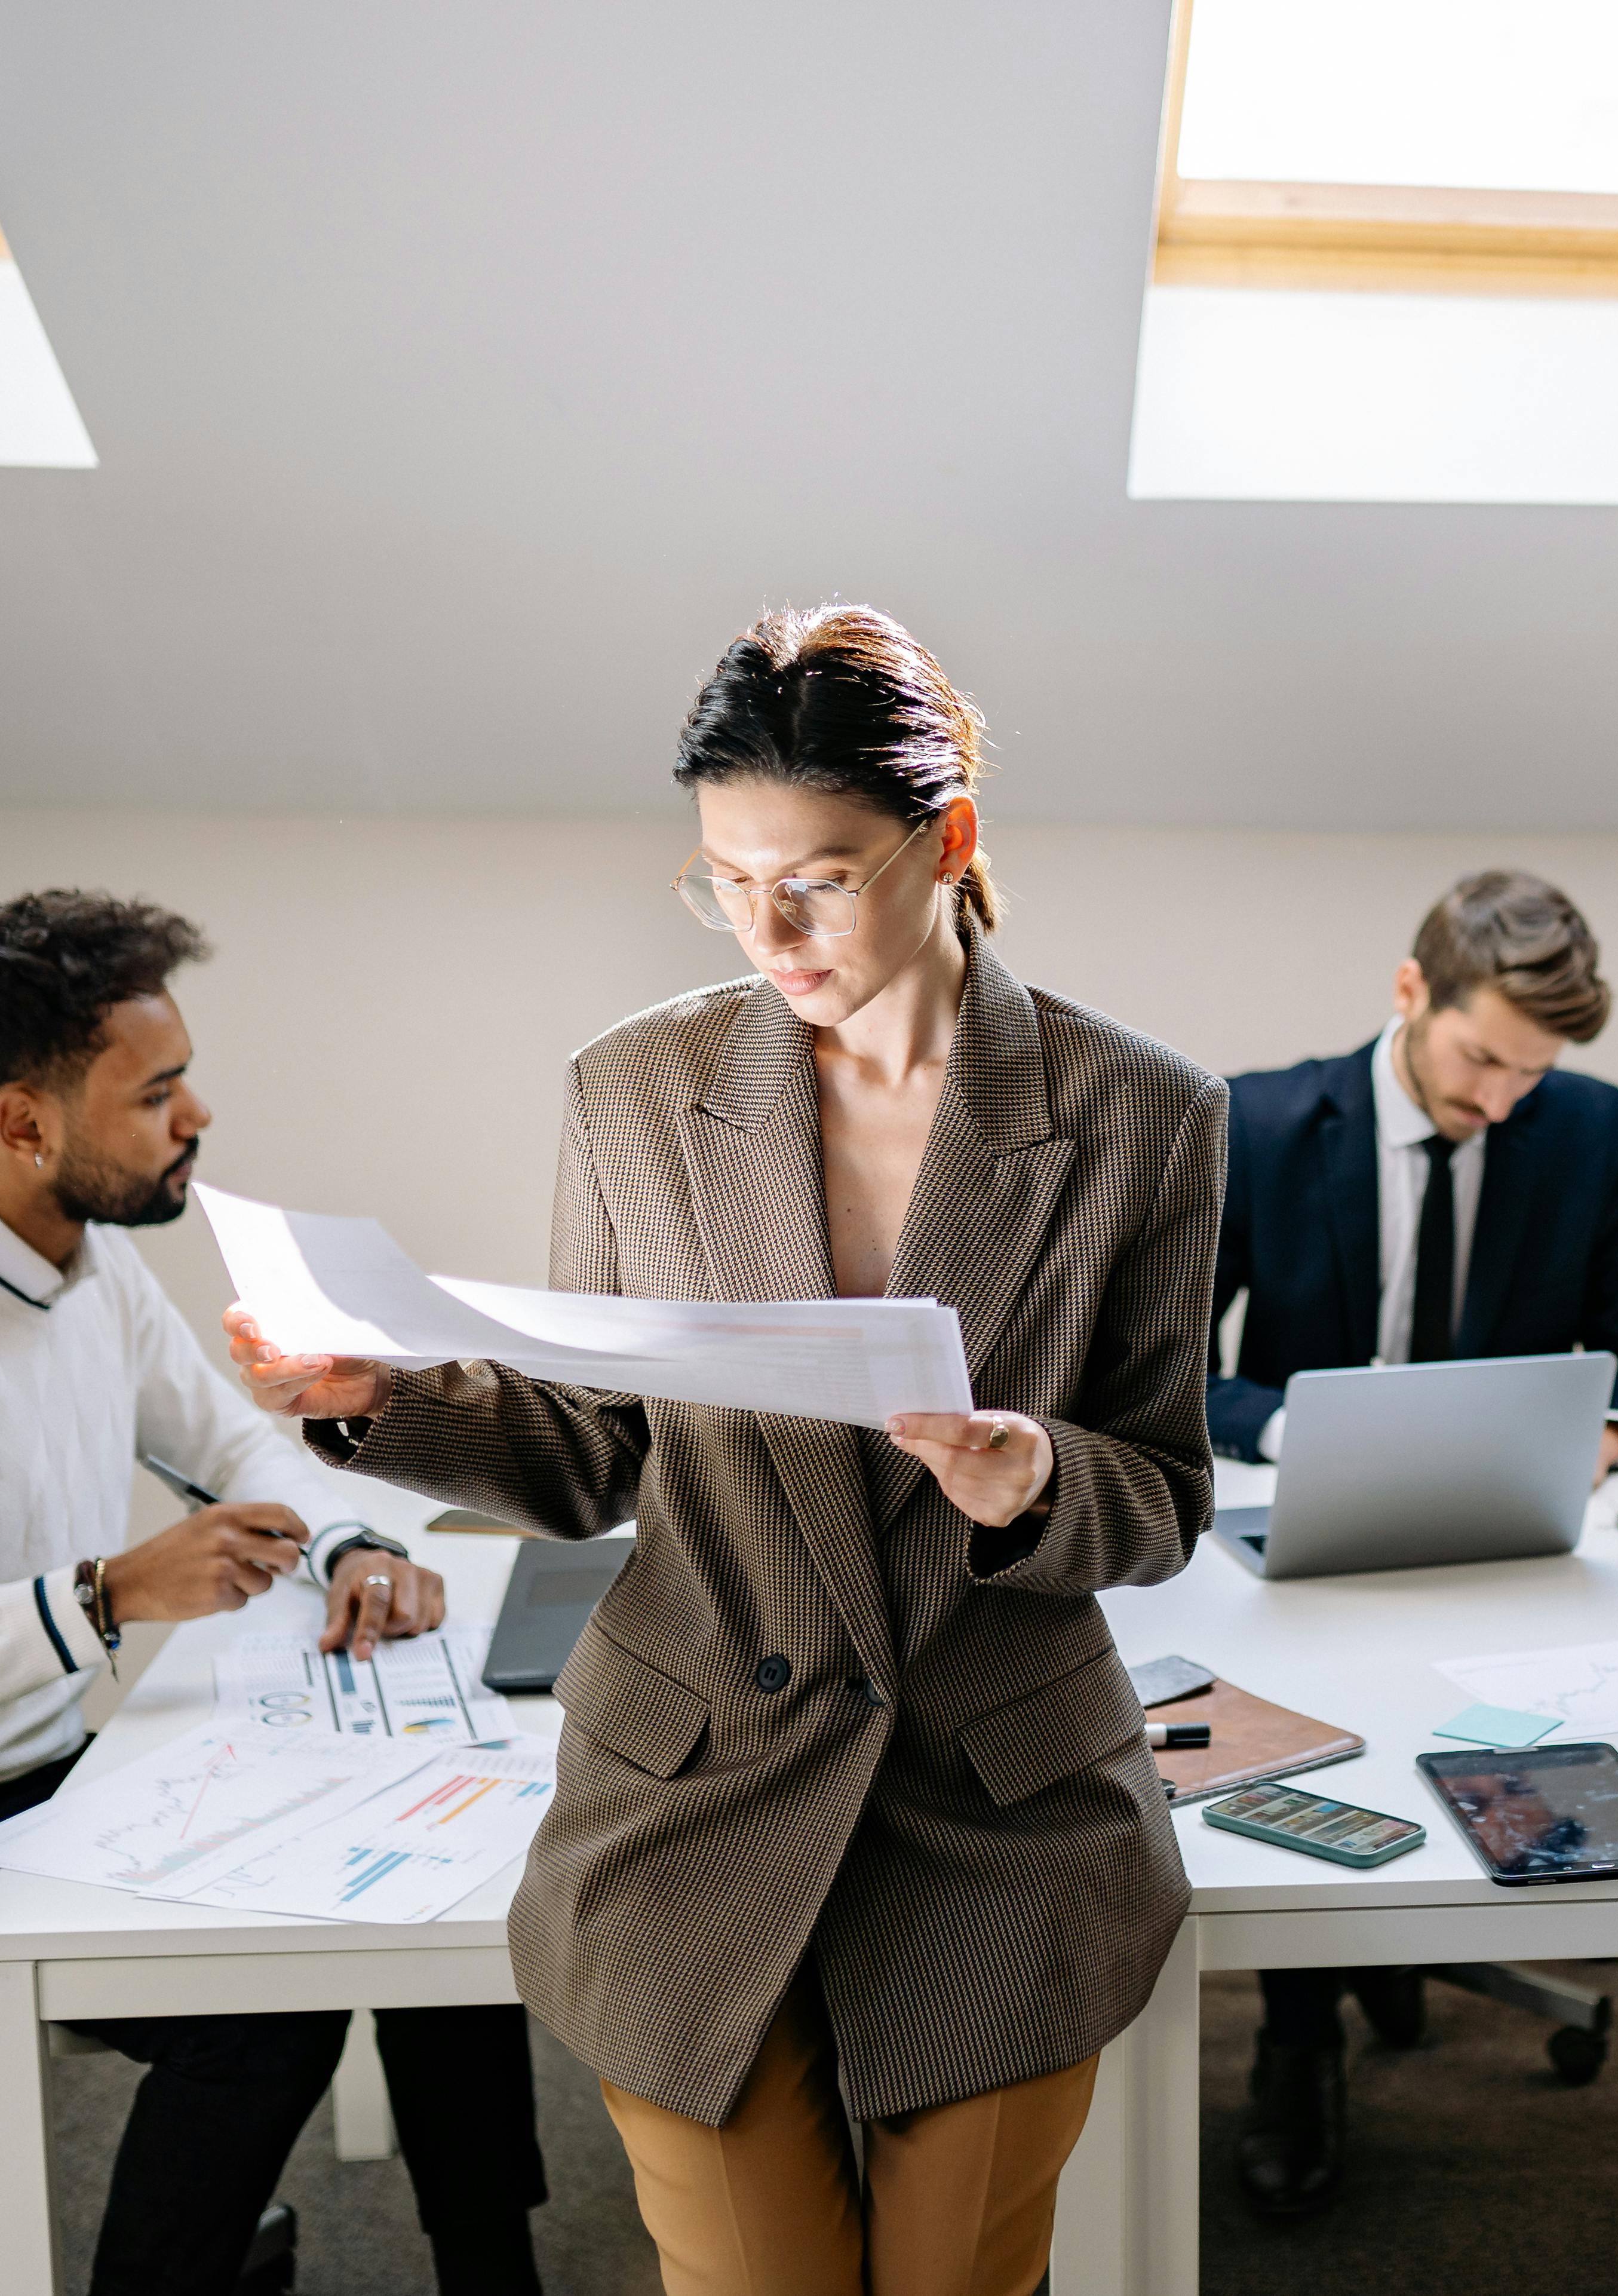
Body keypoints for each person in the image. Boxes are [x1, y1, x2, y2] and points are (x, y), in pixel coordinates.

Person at [228, 603, 1222, 2296]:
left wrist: (1035, 1482)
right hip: (694, 1786)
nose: (767, 925)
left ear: (947, 842)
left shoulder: (1141, 1112)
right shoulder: (636, 1087)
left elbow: (1165, 1492)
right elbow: (591, 1449)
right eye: (722, 876)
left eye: (818, 875)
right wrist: (366, 1396)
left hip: (992, 1801)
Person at [0, 891, 550, 2296]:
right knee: (258, 2013)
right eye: (156, 1091)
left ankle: (487, 2259)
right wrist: (96, 1596)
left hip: (24, 1776)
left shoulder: (78, 1263)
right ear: (25, 1124)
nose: (196, 1111)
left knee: (401, 1868)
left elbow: (224, 1445)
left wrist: (350, 1548)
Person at [1210, 869, 1618, 2217]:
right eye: (1479, 1056)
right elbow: (1151, 1365)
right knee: (1308, 1721)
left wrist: (1598, 1435)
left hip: (1501, 1540)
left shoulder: (1581, 1130)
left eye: (1527, 1073)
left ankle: (1407, 1929)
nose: (1498, 1098)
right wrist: (1294, 1429)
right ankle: (1298, 2028)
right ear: (1407, 993)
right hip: (1302, 1531)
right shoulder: (1260, 1123)